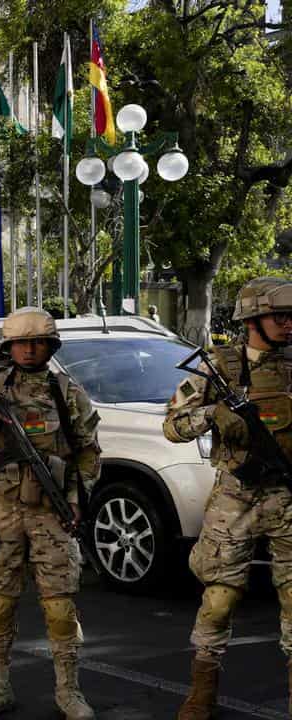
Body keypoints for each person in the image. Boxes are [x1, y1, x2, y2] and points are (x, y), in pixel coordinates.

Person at [0, 307, 101, 720]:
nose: (30, 350)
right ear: (9, 347)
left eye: (38, 342)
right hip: (2, 509)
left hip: (51, 511)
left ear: (50, 346)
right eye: (21, 343)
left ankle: (69, 691)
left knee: (60, 607)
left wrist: (75, 498)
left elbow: (88, 454)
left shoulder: (67, 393)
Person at [164, 277, 292, 719]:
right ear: (252, 317)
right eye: (280, 316)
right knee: (219, 599)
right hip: (235, 498)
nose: (289, 324)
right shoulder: (219, 366)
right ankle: (202, 692)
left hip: (288, 496)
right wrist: (214, 414)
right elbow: (172, 425)